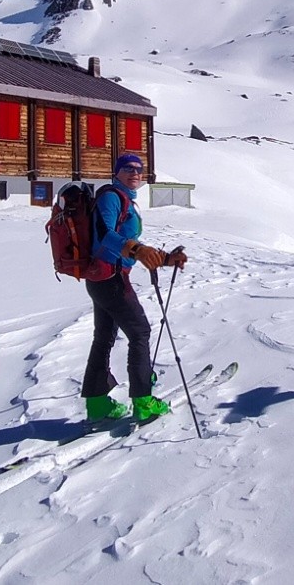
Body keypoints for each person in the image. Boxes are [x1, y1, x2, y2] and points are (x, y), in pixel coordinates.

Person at [81, 153, 188, 423]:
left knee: (104, 337)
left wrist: (164, 258)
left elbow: (130, 245)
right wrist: (137, 249)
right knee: (140, 332)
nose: (135, 173)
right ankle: (143, 400)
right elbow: (105, 234)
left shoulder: (125, 199)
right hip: (110, 278)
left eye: (139, 170)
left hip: (104, 278)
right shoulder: (111, 196)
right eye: (128, 169)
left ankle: (96, 404)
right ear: (116, 172)